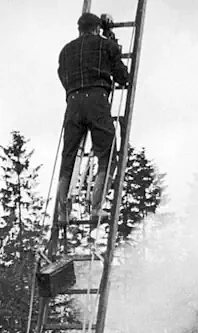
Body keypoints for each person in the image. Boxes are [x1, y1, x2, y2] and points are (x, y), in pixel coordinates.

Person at [55, 12, 131, 233]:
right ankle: (96, 207)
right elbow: (122, 76)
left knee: (68, 158)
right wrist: (111, 39)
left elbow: (62, 76)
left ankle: (63, 212)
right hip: (97, 99)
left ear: (79, 29)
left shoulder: (66, 51)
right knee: (107, 155)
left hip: (73, 102)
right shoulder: (105, 45)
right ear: (97, 29)